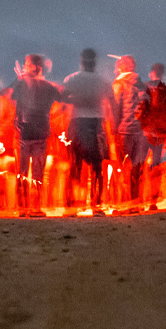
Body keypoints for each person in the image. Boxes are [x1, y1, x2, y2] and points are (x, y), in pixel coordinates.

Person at [4, 54, 62, 216]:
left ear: (36, 67)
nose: (25, 67)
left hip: (24, 132)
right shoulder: (48, 87)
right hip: (41, 132)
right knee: (38, 173)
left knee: (22, 171)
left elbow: (8, 99)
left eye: (27, 64)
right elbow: (61, 100)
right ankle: (35, 208)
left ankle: (23, 208)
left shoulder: (21, 83)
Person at [62, 48, 114, 215]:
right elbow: (112, 101)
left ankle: (71, 205)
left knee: (75, 163)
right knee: (97, 165)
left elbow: (61, 97)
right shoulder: (103, 81)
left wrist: (76, 100)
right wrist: (115, 123)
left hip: (78, 122)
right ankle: (96, 204)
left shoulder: (72, 79)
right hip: (98, 122)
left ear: (82, 62)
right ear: (94, 62)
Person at [112, 55, 148, 203]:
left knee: (121, 166)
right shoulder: (141, 83)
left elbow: (116, 107)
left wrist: (113, 129)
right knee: (137, 166)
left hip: (124, 129)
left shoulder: (119, 83)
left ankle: (122, 199)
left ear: (121, 67)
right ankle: (136, 198)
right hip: (139, 130)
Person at [146, 62, 166, 168]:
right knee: (156, 158)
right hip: (161, 127)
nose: (149, 75)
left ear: (153, 72)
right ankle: (153, 175)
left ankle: (139, 179)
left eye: (150, 72)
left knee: (141, 155)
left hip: (147, 127)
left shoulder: (146, 86)